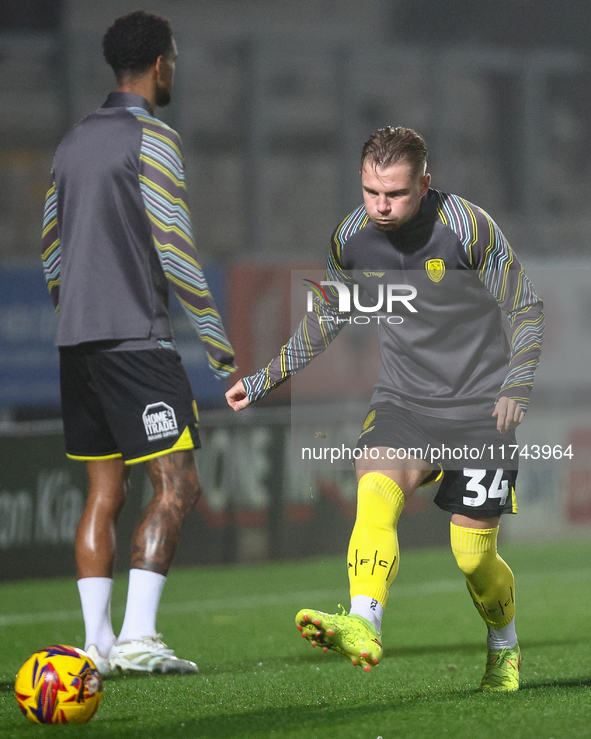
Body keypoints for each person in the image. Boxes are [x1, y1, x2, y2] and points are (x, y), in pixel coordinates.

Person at [225, 127, 544, 691]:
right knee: (375, 489)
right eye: (371, 191)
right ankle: (364, 622)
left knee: (472, 557)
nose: (381, 206)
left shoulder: (467, 229)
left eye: (394, 193)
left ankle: (504, 647)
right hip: (403, 400)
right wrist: (265, 378)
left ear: (425, 182)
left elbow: (525, 309)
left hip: (479, 409)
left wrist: (516, 386)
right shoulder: (352, 238)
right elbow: (327, 316)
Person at [41, 10, 235, 677]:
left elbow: (49, 248)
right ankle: (137, 637)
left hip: (78, 344)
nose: (174, 69)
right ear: (160, 64)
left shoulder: (70, 145)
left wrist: (74, 314)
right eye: (174, 60)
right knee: (177, 484)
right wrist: (217, 343)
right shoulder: (152, 139)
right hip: (135, 341)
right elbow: (175, 249)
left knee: (104, 491)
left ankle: (92, 645)